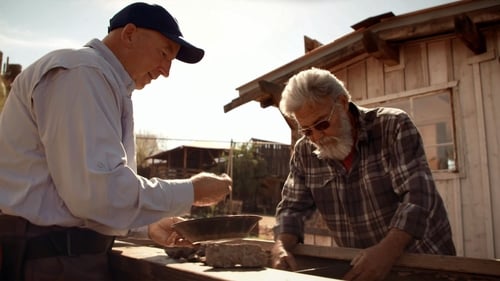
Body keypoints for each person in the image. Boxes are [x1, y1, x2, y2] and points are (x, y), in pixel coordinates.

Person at [0, 2, 231, 281]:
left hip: (59, 255)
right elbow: (97, 195)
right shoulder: (82, 73)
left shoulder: (100, 80)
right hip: (52, 262)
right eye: (164, 53)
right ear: (130, 34)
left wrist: (147, 226)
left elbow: (80, 197)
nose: (166, 70)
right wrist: (192, 192)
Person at [271, 67, 456, 281]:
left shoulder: (392, 126)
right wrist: (281, 245)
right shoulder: (305, 151)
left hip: (423, 265)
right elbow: (292, 207)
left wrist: (387, 251)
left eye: (322, 124)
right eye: (307, 131)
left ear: (341, 103)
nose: (317, 137)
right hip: (362, 269)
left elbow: (418, 197)